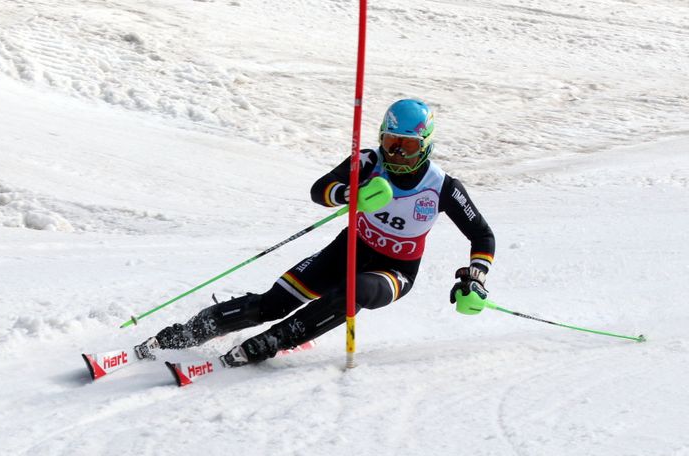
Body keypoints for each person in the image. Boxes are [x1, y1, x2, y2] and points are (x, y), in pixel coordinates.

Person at [134, 99, 496, 367]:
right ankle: (183, 333)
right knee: (274, 302)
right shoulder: (368, 163)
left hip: (395, 271)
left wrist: (475, 276)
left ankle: (273, 342)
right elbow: (319, 189)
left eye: (408, 146)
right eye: (391, 143)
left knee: (353, 293)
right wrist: (349, 195)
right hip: (348, 248)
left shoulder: (443, 187)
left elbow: (482, 236)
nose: (398, 154)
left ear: (426, 144)